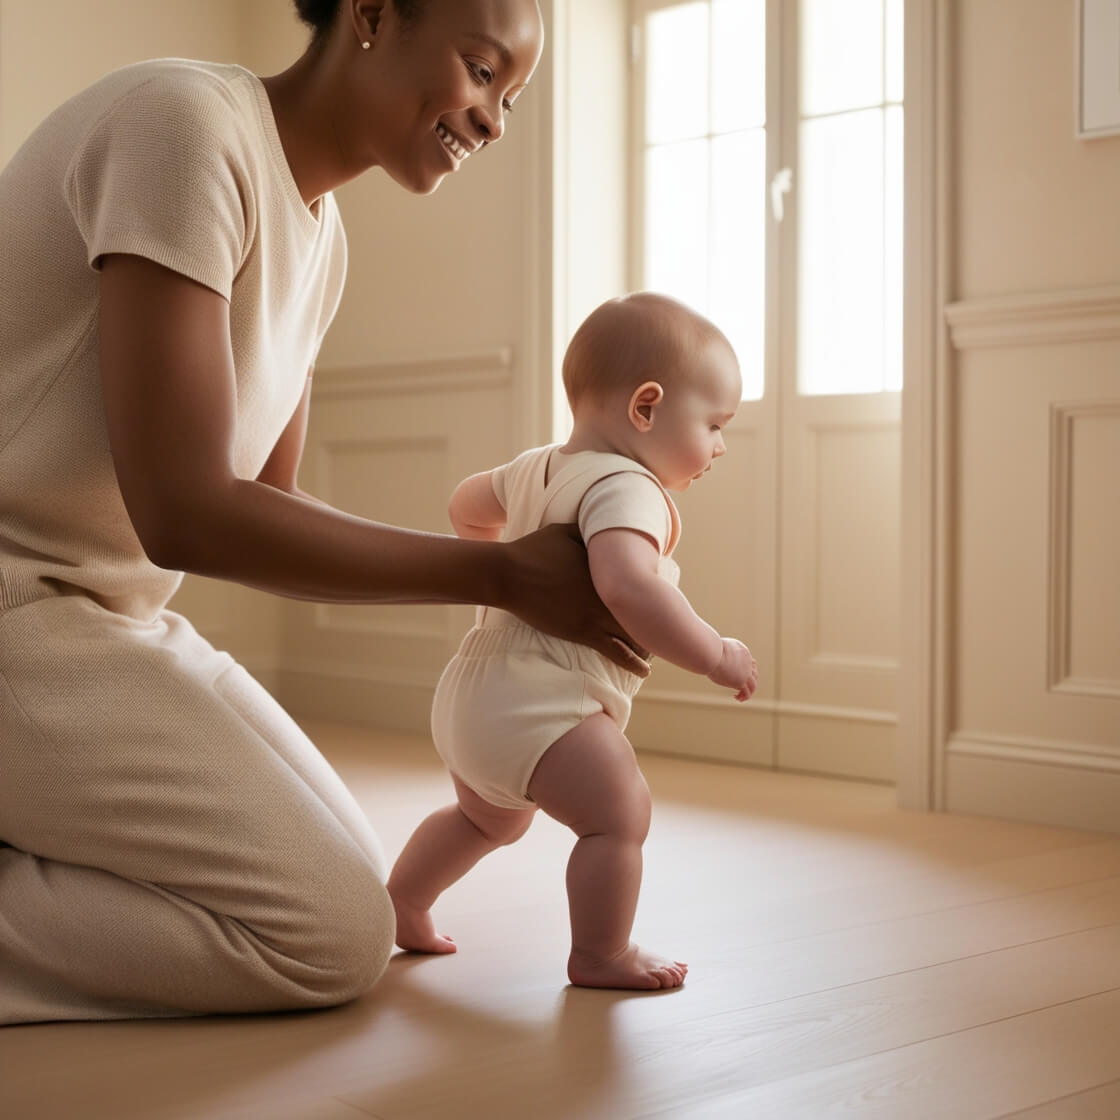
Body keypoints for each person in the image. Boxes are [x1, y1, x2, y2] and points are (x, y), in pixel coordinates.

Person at [0, 0, 652, 1026]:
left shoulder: (325, 240)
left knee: (350, 875)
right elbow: (183, 514)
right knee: (330, 935)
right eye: (482, 71)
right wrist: (495, 571)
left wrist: (516, 562)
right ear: (372, 13)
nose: (491, 119)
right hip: (15, 608)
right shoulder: (183, 126)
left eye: (513, 100)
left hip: (103, 622)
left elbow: (261, 504)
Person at [387, 292, 759, 991]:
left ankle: (404, 901)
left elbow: (466, 505)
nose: (720, 444)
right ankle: (600, 953)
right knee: (619, 815)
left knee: (484, 820)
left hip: (472, 692)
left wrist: (500, 569)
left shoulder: (536, 466)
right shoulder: (631, 487)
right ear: (646, 408)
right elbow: (629, 588)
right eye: (714, 423)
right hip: (545, 699)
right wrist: (714, 653)